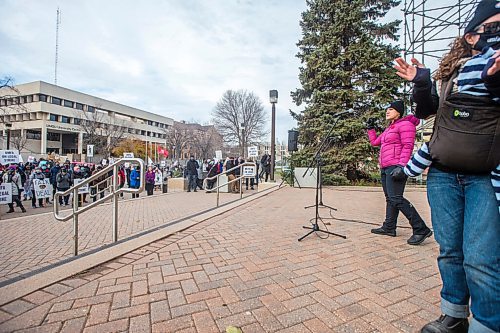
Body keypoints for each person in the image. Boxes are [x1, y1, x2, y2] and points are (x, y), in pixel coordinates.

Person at [394, 2, 500, 332]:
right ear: (472, 35)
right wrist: (422, 83)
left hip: (484, 174)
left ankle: (487, 324)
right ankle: (453, 314)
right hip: (443, 172)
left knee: (481, 258)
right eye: (494, 27)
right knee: (450, 251)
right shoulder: (452, 71)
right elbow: (432, 112)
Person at [366, 101, 433, 245]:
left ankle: (420, 228)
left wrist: (402, 167)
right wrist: (370, 129)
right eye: (387, 109)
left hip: (396, 167)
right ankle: (389, 227)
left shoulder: (406, 125)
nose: (387, 111)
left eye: (391, 109)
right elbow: (375, 142)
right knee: (390, 199)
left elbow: (408, 146)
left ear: (399, 112)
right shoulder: (390, 128)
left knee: (396, 198)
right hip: (385, 167)